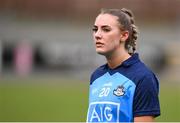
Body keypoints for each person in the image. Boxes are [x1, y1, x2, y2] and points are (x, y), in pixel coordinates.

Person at [86, 8, 160, 122]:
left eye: (106, 29)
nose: (97, 35)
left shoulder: (143, 77)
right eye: (95, 29)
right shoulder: (96, 76)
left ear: (124, 35)